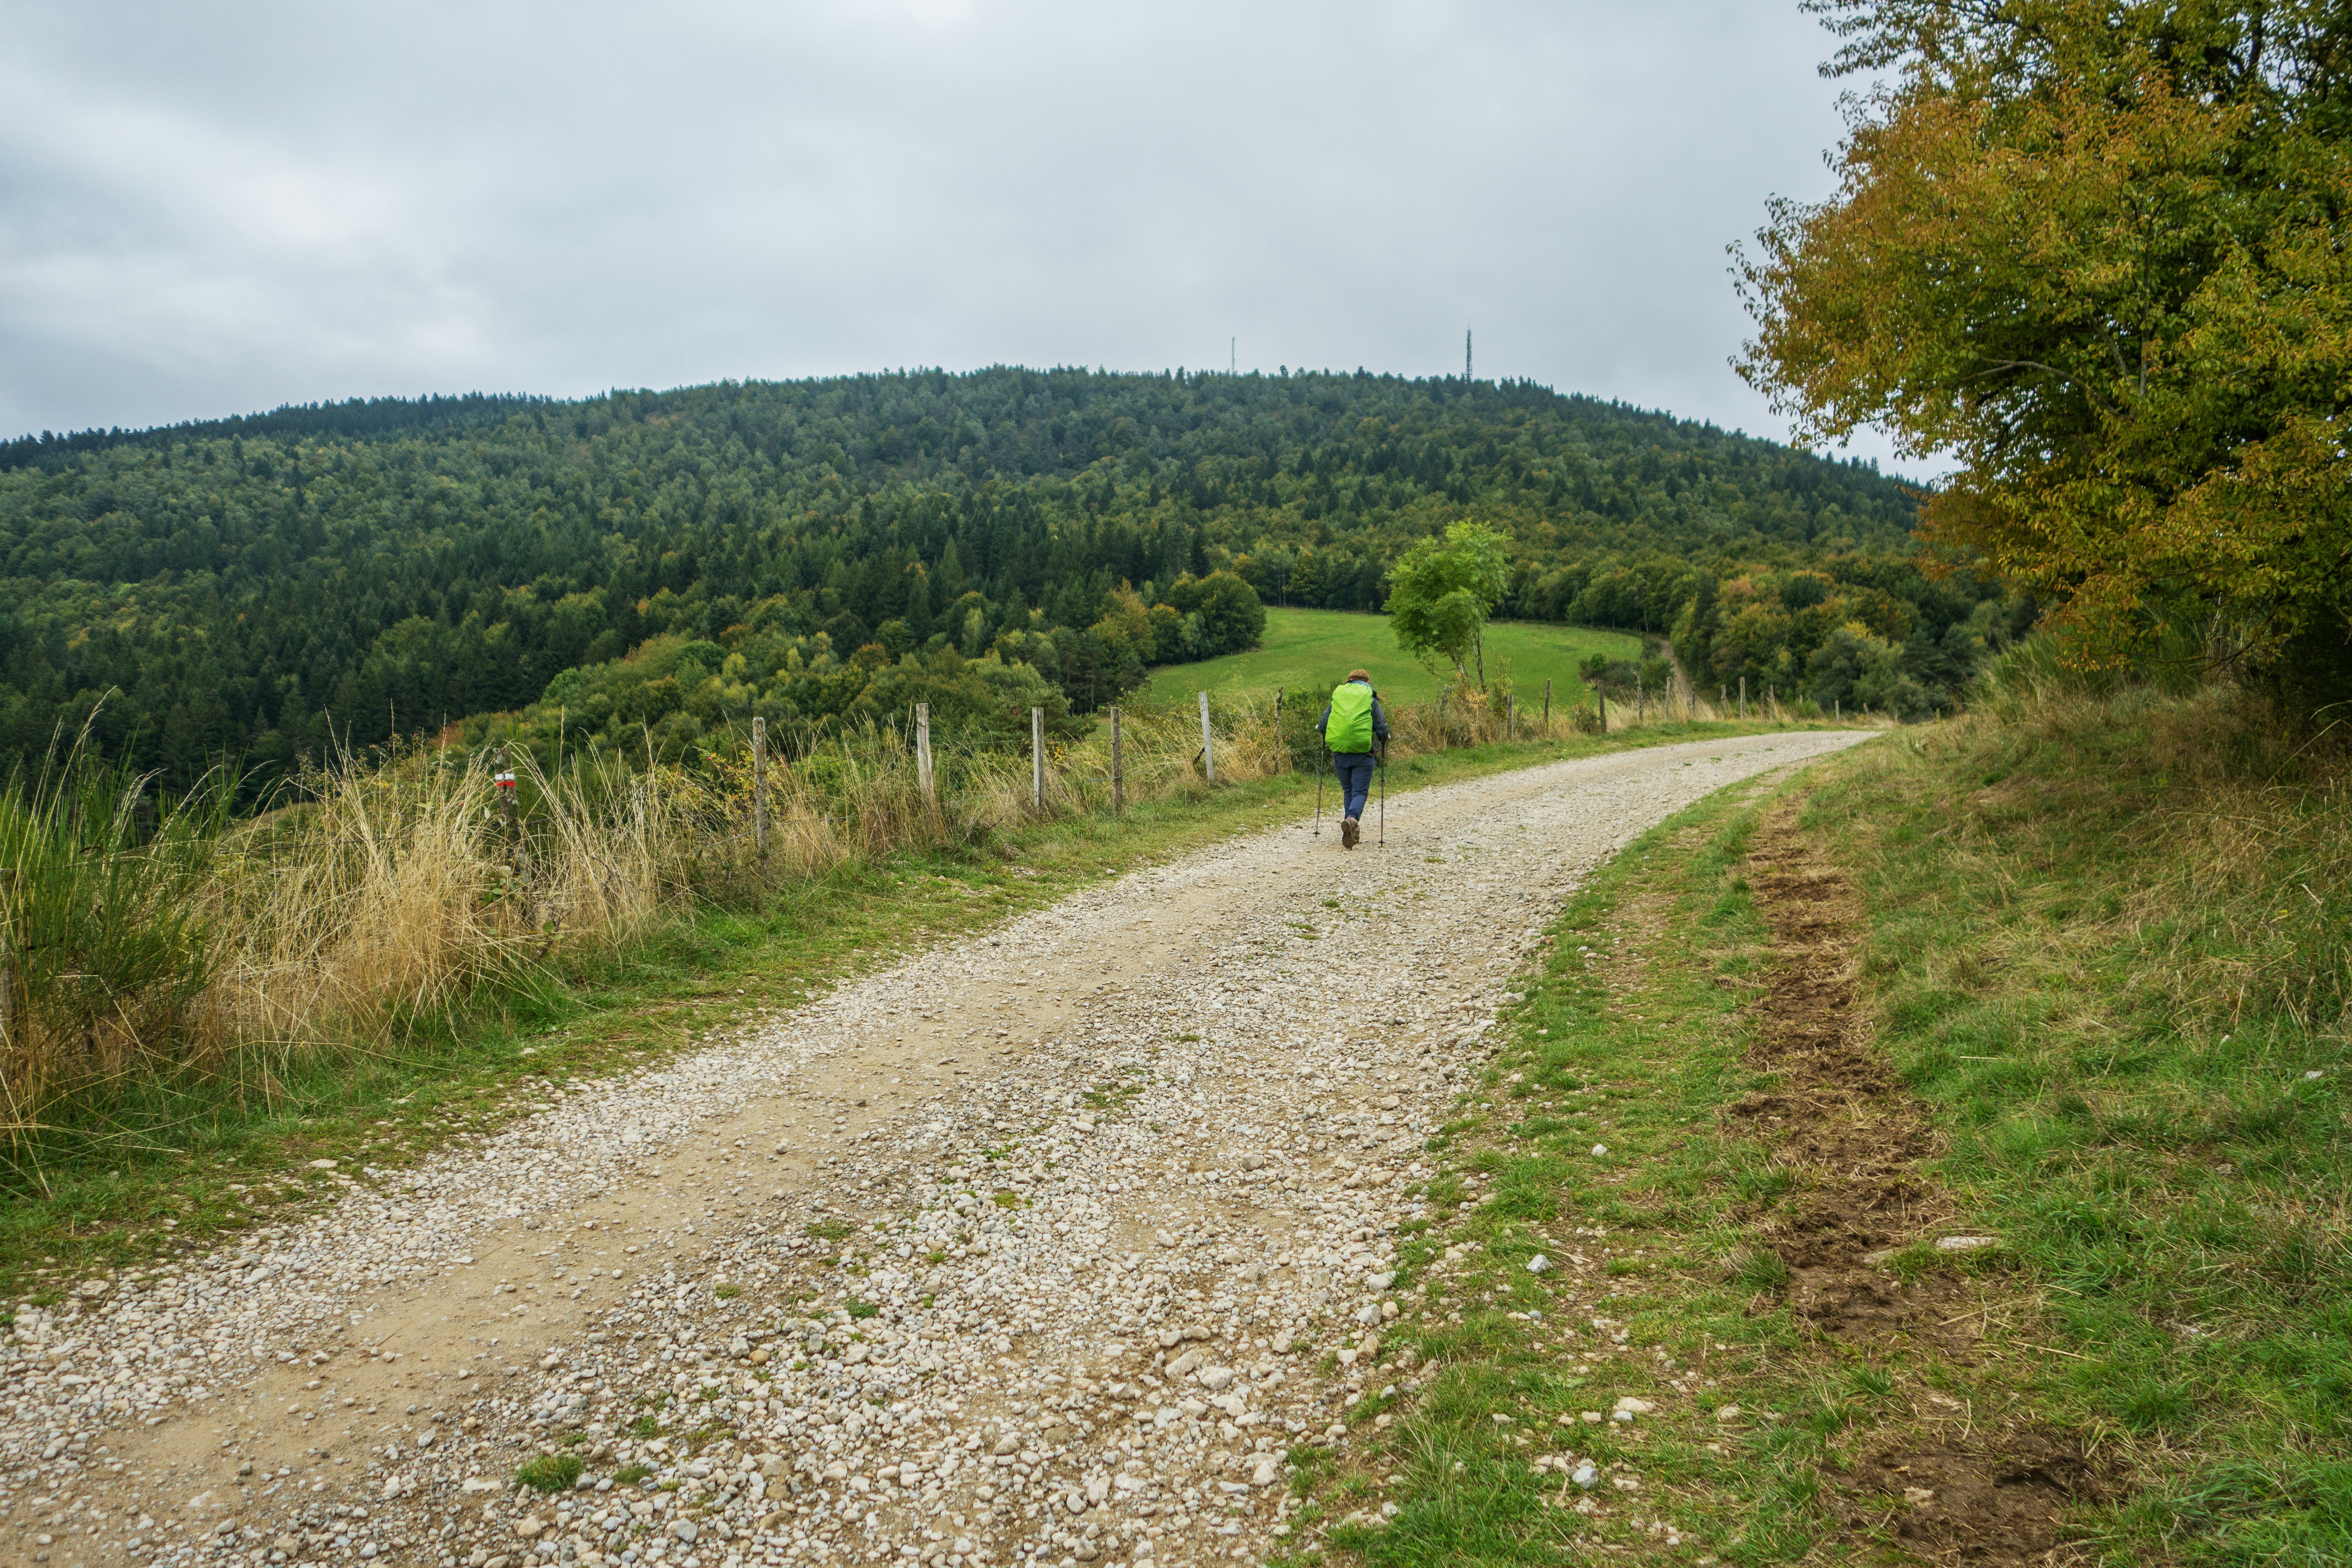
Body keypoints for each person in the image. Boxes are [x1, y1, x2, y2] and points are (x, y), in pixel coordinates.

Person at [1319, 669, 1390, 849]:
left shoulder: (1339, 696)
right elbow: (1381, 726)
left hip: (1340, 753)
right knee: (1360, 792)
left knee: (1348, 791)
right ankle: (1352, 820)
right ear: (1367, 682)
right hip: (1363, 754)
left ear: (1349, 680)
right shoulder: (1370, 698)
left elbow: (1324, 724)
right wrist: (1384, 738)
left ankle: (1349, 832)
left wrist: (1324, 732)